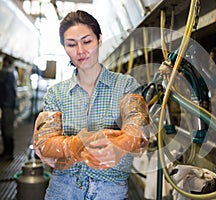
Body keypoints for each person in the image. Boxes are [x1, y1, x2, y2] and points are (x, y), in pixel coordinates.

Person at [32, 10, 150, 200]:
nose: (80, 51)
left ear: (99, 39)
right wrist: (78, 144)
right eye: (71, 44)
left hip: (109, 189)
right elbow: (44, 142)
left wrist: (120, 146)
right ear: (64, 47)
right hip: (63, 189)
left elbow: (138, 127)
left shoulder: (126, 86)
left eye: (87, 41)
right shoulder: (56, 93)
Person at [0, 55, 17, 161]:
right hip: (9, 104)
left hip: (7, 104)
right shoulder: (13, 72)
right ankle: (7, 152)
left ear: (6, 62)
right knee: (7, 128)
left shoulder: (7, 73)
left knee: (7, 129)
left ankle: (9, 153)